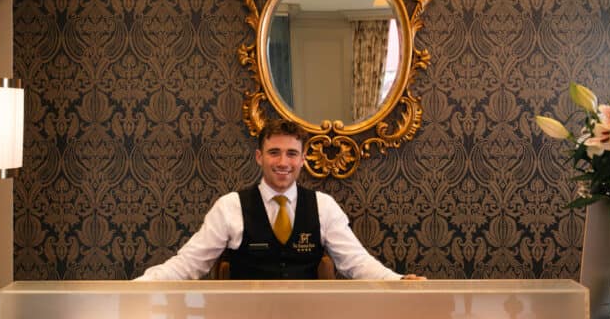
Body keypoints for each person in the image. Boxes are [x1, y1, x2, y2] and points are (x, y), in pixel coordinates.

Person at [136, 118, 425, 281]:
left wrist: (397, 282)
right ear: (260, 157)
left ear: (302, 159)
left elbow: (356, 262)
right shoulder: (230, 206)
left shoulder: (323, 206)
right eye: (274, 152)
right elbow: (188, 264)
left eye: (291, 153)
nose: (283, 162)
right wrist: (141, 287)